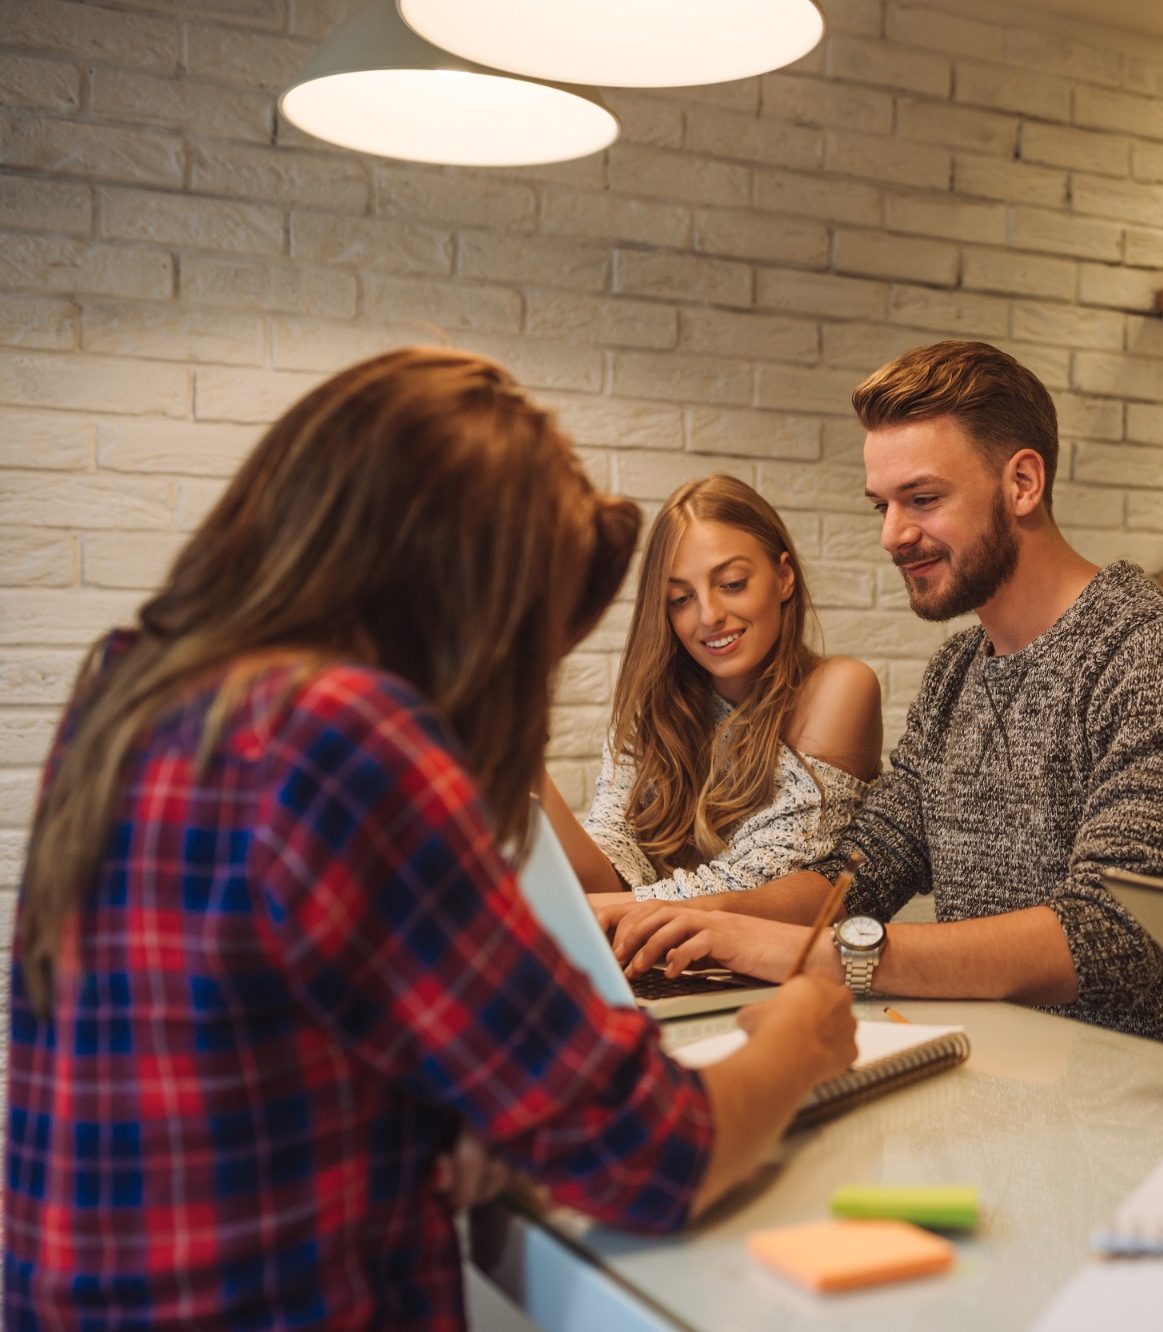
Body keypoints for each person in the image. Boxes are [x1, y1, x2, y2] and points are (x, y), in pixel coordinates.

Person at [4, 349, 858, 1330]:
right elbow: (650, 1155)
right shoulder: (339, 736)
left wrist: (448, 1110)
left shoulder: (127, 685)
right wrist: (796, 1042)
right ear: (450, 592)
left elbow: (261, 1029)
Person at [595, 340, 1163, 1055]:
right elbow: (858, 873)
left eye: (923, 500)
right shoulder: (955, 673)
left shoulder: (1152, 651)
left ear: (1022, 482)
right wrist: (674, 916)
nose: (893, 535)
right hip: (1003, 1092)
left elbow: (1114, 929)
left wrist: (832, 956)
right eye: (882, 505)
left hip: (1149, 1105)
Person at [538, 473, 881, 900]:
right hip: (664, 964)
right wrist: (528, 762)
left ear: (784, 577)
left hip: (787, 967)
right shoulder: (654, 709)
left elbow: (753, 884)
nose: (709, 615)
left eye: (732, 584)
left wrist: (612, 909)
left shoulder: (840, 689)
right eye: (681, 598)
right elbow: (611, 860)